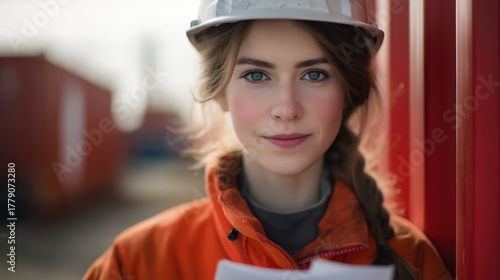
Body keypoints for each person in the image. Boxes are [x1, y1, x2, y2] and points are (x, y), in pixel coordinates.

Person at [84, 1, 452, 279]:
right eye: (257, 76)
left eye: (314, 74)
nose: (287, 109)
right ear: (220, 92)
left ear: (348, 92)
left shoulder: (411, 256)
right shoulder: (137, 262)